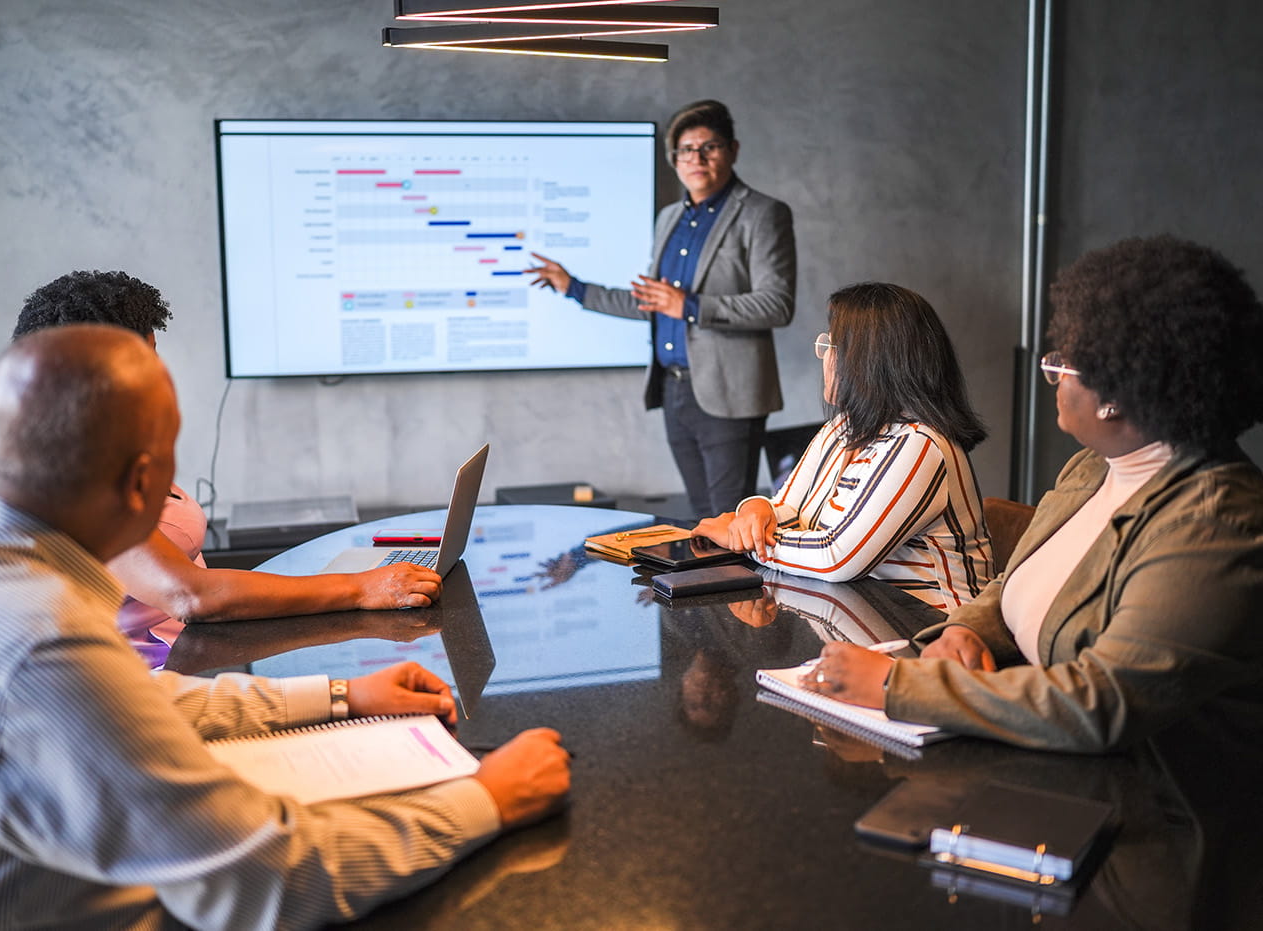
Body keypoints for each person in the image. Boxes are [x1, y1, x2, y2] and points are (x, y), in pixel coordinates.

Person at [0, 324, 570, 927]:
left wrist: (340, 697)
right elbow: (268, 879)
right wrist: (486, 798)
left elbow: (130, 702)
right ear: (145, 482)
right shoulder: (35, 645)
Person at [806, 236, 1263, 752]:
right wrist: (966, 633)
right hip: (1038, 752)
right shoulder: (1093, 468)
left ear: (1115, 393)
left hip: (1148, 806)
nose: (1051, 373)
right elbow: (1015, 585)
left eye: (1064, 360)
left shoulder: (1216, 524)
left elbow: (1099, 703)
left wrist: (897, 686)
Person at [14, 270, 442, 668]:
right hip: (164, 681)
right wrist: (360, 587)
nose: (160, 374)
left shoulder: (107, 449)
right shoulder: (80, 478)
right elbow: (189, 595)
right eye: (147, 357)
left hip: (205, 650)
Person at [526, 99, 796, 517]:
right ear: (674, 160)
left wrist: (689, 305)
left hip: (729, 396)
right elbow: (653, 304)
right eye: (686, 150)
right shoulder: (669, 218)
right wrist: (574, 287)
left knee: (730, 523)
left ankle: (743, 585)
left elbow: (777, 305)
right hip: (673, 390)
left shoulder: (762, 214)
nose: (697, 158)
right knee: (702, 519)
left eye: (709, 146)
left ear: (733, 150)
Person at [692, 282, 993, 610]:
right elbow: (790, 511)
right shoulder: (843, 428)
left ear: (869, 361)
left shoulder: (920, 446)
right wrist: (752, 511)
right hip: (861, 620)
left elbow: (835, 558)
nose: (824, 357)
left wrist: (740, 542)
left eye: (831, 344)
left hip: (935, 638)